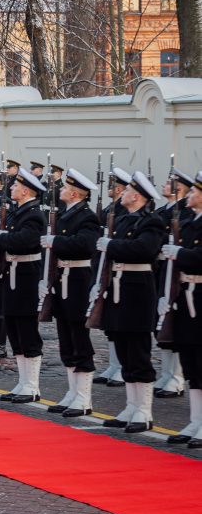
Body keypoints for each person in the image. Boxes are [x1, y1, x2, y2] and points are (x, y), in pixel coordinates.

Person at [96, 171, 165, 433]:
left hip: (137, 292)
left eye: (126, 191)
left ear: (136, 196)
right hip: (118, 289)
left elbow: (144, 250)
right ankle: (131, 405)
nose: (121, 193)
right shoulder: (123, 220)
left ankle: (144, 411)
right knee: (123, 350)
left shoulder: (152, 222)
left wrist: (110, 245)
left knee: (138, 351)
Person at [39, 168, 101, 417]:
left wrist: (56, 242)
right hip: (62, 279)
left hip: (77, 280)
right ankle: (72, 392)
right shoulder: (65, 215)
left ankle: (84, 397)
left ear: (75, 193)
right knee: (66, 337)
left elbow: (85, 245)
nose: (61, 190)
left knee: (79, 336)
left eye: (65, 188)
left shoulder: (87, 217)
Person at [0, 167, 47, 403]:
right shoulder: (20, 211)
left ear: (26, 191)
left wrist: (0, 238)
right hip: (12, 274)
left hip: (26, 275)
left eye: (15, 186)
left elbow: (26, 240)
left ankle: (32, 385)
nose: (11, 189)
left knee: (26, 329)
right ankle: (23, 382)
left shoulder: (34, 214)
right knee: (14, 330)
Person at [161, 171, 202, 446]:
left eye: (193, 192)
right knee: (190, 360)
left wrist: (180, 254)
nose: (188, 195)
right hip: (184, 293)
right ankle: (195, 420)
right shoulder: (189, 223)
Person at [154, 168, 194, 399]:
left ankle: (177, 378)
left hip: (178, 273)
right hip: (160, 270)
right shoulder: (162, 212)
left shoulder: (186, 215)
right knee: (160, 324)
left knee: (176, 324)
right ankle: (167, 373)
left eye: (170, 183)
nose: (165, 185)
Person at [94, 168, 132, 387]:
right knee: (110, 322)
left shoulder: (123, 210)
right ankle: (114, 365)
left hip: (120, 268)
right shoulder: (111, 208)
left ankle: (121, 367)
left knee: (120, 323)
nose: (109, 188)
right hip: (106, 265)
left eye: (112, 185)